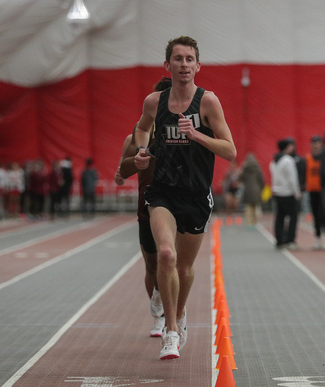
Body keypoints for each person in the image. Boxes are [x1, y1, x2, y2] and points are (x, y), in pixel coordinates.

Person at [133, 36, 236, 360]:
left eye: (190, 59)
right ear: (168, 65)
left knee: (186, 266)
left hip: (195, 194)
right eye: (178, 59)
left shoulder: (208, 102)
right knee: (166, 254)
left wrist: (196, 135)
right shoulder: (154, 102)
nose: (184, 65)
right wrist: (141, 150)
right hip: (162, 191)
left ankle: (179, 312)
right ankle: (171, 331)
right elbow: (142, 128)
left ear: (198, 66)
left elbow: (230, 150)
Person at [117, 76, 173, 338]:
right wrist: (138, 157)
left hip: (176, 204)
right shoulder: (137, 135)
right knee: (152, 265)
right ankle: (158, 315)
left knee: (172, 261)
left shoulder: (181, 132)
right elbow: (121, 172)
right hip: (147, 206)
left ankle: (174, 316)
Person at [270, 139, 301, 249]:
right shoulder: (288, 160)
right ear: (286, 148)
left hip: (278, 192)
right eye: (290, 146)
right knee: (293, 217)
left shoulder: (274, 161)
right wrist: (297, 193)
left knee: (279, 217)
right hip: (288, 193)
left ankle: (279, 240)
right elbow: (292, 178)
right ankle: (290, 240)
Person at [305, 135, 325, 249]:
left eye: (318, 143)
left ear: (321, 144)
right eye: (313, 143)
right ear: (311, 145)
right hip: (312, 190)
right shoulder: (308, 158)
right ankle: (318, 238)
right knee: (315, 215)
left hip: (323, 191)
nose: (316, 145)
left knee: (324, 215)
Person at [239, 153, 264, 228]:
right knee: (255, 206)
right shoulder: (257, 168)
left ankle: (249, 223)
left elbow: (241, 178)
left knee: (249, 207)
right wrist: (261, 187)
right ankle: (255, 222)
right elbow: (261, 180)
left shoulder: (245, 168)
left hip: (247, 189)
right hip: (256, 189)